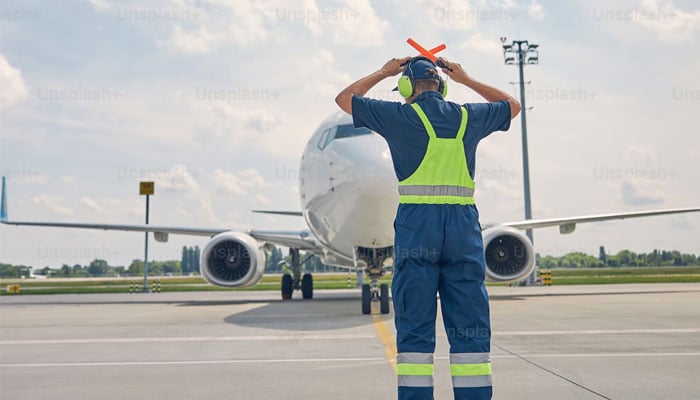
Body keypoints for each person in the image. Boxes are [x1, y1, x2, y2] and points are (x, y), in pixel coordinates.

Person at [335, 55, 520, 400]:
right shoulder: (468, 116)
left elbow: (345, 99)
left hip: (418, 227)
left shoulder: (400, 117)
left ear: (406, 87)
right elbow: (512, 106)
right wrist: (467, 79)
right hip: (463, 229)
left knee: (415, 326)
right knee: (469, 324)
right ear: (443, 85)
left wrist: (383, 71)